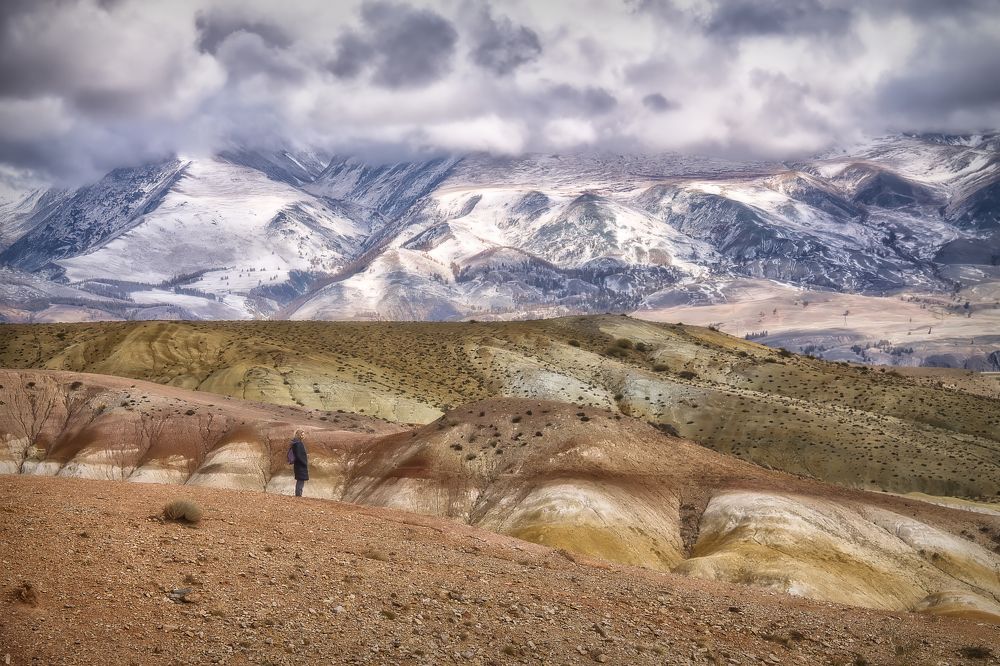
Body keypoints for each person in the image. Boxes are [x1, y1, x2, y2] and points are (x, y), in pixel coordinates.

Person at [289, 429, 309, 497]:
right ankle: (298, 495)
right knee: (300, 480)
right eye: (302, 434)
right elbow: (299, 455)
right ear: (299, 435)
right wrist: (304, 462)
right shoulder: (298, 444)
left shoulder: (295, 443)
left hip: (298, 465)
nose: (303, 436)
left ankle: (299, 495)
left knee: (300, 480)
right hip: (300, 465)